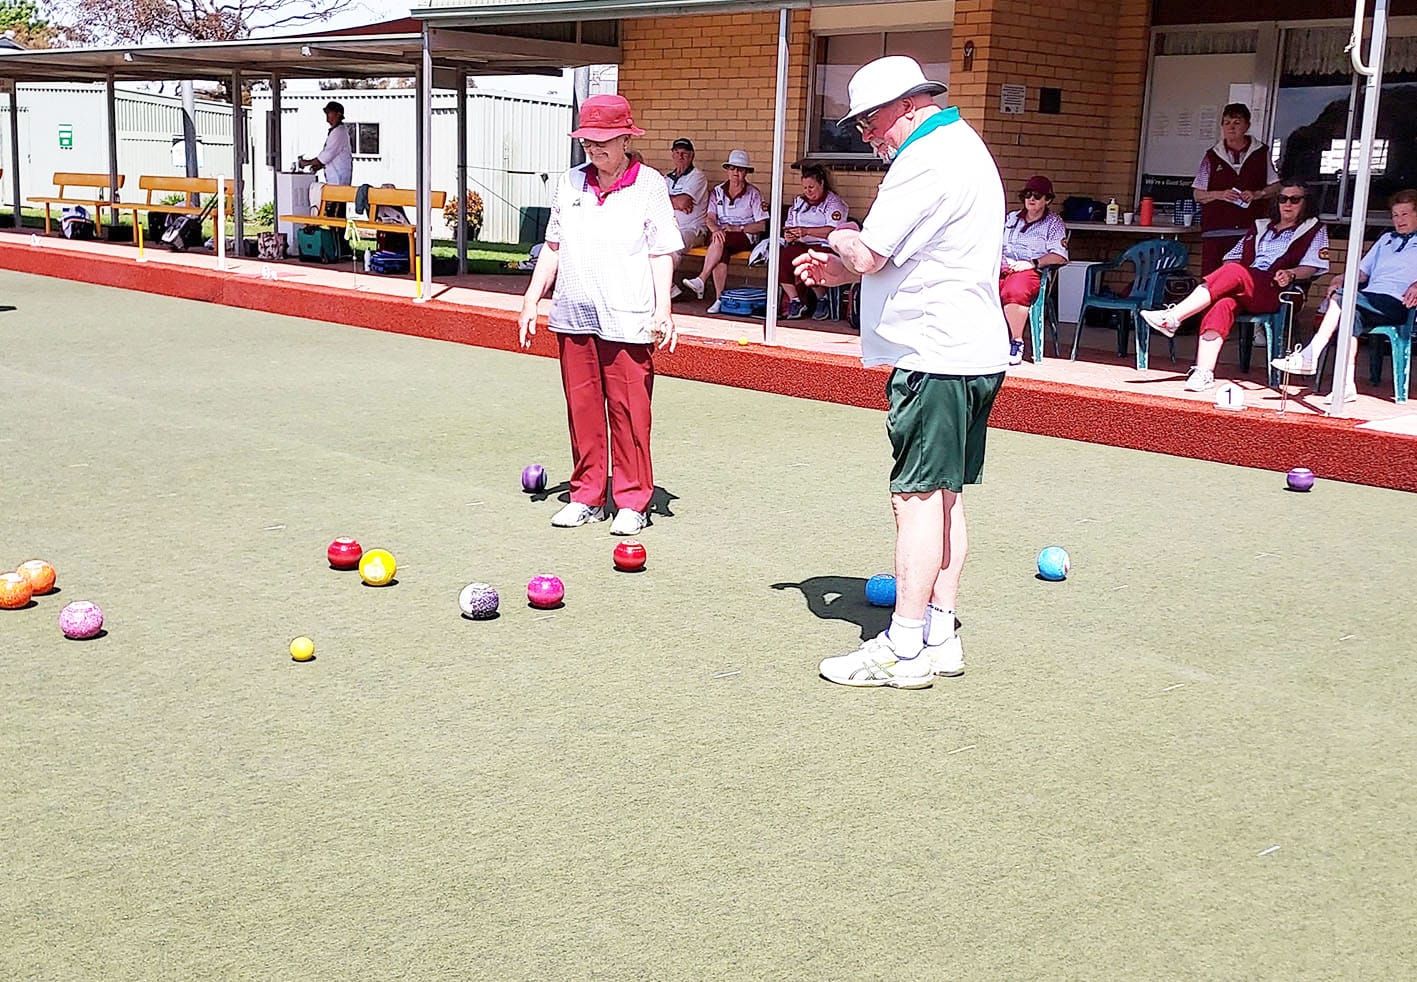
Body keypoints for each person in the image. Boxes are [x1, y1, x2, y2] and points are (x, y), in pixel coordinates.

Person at [794, 56, 1009, 689]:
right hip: (971, 351)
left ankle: (904, 647)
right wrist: (848, 267)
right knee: (946, 497)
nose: (865, 135)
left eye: (868, 121)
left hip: (933, 355)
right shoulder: (965, 146)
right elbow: (905, 255)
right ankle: (940, 635)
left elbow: (870, 249)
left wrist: (837, 237)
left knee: (914, 501)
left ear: (906, 106)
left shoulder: (922, 159)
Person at [517, 95, 681, 537]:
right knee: (583, 409)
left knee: (630, 412)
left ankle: (632, 501)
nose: (594, 149)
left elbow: (661, 250)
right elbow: (553, 245)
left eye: (604, 141)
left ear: (627, 138)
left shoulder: (650, 185)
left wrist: (664, 310)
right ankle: (586, 494)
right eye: (587, 141)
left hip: (629, 317)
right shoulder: (569, 183)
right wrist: (533, 297)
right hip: (573, 313)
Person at [1141, 182, 1328, 391]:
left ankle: (1174, 317)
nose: (1288, 204)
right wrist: (1231, 279)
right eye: (1283, 198)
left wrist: (1291, 273)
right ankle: (1203, 372)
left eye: (1295, 199)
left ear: (1305, 203)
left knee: (1234, 272)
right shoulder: (1261, 226)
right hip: (1249, 284)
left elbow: (1313, 266)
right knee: (1222, 304)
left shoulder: (1313, 228)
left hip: (1279, 289)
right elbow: (1232, 257)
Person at [1272, 188, 1417, 403]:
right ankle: (1346, 385)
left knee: (1343, 299)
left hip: (1397, 302)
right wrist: (1341, 278)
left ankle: (1311, 353)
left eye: (1405, 214)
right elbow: (1362, 272)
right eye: (1395, 215)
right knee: (1349, 316)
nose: (1399, 220)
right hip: (1369, 299)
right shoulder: (1386, 239)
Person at [1193, 103, 1281, 274]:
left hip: (1250, 230)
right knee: (1211, 279)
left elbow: (1276, 186)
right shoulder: (1212, 155)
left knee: (1245, 277)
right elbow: (1198, 194)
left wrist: (1258, 194)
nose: (1231, 128)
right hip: (1216, 231)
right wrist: (1220, 194)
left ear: (1247, 126)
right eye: (1226, 123)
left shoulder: (1261, 153)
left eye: (1236, 122)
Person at [682, 150, 768, 314]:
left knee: (721, 240)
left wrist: (737, 228)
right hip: (722, 237)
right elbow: (710, 218)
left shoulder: (754, 194)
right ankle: (719, 299)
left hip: (745, 236)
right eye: (733, 169)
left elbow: (761, 225)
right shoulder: (718, 191)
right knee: (721, 250)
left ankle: (702, 278)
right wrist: (715, 230)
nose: (736, 173)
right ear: (728, 170)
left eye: (740, 170)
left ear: (746, 173)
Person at [999, 174, 1068, 365]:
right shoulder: (1011, 218)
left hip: (1028, 270)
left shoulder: (1053, 223)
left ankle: (1016, 342)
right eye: (1027, 194)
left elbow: (1060, 256)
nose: (1031, 199)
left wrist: (1033, 263)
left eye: (1037, 196)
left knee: (1014, 290)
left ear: (1047, 200)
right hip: (1001, 266)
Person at [779, 163, 851, 320]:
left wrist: (807, 231)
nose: (807, 191)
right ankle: (795, 300)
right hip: (801, 243)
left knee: (812, 259)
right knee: (783, 257)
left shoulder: (833, 203)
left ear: (821, 183)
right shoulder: (799, 202)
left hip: (824, 246)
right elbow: (789, 224)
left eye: (811, 187)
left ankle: (821, 298)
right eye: (804, 188)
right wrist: (790, 234)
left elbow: (834, 230)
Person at [664, 137, 709, 298]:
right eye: (677, 153)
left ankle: (666, 289)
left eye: (684, 153)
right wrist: (676, 201)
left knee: (672, 245)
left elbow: (684, 201)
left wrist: (673, 200)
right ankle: (670, 289)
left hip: (693, 230)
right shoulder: (667, 179)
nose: (680, 156)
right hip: (670, 227)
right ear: (672, 155)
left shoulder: (697, 176)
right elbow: (659, 203)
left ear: (691, 156)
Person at [298, 101, 354, 218]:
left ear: (338, 114)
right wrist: (317, 166)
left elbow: (326, 156)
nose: (328, 117)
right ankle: (335, 235)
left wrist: (306, 163)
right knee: (333, 214)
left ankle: (337, 236)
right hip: (334, 180)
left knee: (336, 214)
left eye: (330, 113)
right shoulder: (336, 131)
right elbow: (328, 158)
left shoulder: (339, 132)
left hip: (338, 181)